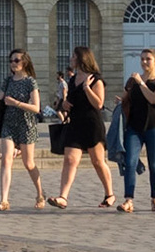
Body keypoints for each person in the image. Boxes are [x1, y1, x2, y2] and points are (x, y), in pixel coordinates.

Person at [47, 45, 115, 210]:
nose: (71, 59)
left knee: (98, 161)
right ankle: (63, 197)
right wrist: (65, 103)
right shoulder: (72, 79)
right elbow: (69, 100)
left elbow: (98, 104)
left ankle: (109, 194)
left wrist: (86, 88)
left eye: (73, 56)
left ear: (81, 58)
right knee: (70, 160)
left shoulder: (96, 79)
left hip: (92, 125)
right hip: (75, 124)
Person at [118, 47, 155, 212]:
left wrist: (141, 83)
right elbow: (125, 98)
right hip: (134, 126)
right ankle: (128, 200)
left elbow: (154, 99)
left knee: (154, 164)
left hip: (154, 126)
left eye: (148, 59)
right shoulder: (132, 81)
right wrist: (120, 101)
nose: (144, 62)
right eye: (142, 59)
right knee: (130, 162)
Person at [0, 49, 46, 212]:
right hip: (8, 124)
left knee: (28, 163)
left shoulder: (31, 82)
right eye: (11, 61)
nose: (13, 63)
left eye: (16, 60)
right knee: (6, 160)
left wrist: (16, 103)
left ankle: (39, 194)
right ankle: (4, 200)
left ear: (24, 62)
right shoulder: (8, 81)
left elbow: (36, 108)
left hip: (26, 124)